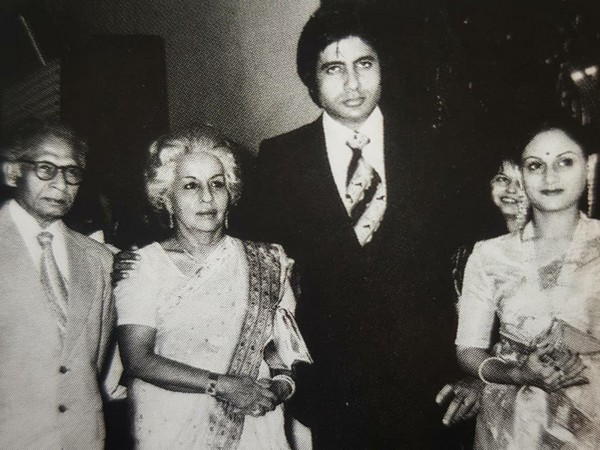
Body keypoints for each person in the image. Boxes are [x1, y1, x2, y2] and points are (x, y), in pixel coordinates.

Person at [232, 6, 463, 448]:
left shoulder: (433, 148)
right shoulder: (282, 159)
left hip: (431, 383)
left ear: (383, 67)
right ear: (311, 79)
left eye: (365, 64)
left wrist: (475, 372)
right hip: (334, 387)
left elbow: (475, 262)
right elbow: (256, 274)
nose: (353, 84)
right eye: (334, 68)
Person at [114, 124, 311, 449]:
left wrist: (275, 391)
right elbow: (137, 359)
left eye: (217, 184)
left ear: (230, 193)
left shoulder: (268, 261)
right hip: (169, 429)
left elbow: (287, 355)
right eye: (190, 185)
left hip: (254, 428)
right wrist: (224, 386)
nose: (206, 197)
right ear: (166, 198)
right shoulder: (143, 266)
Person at [455, 122, 600, 448]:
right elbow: (468, 350)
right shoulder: (488, 254)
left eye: (565, 162)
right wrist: (518, 373)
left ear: (588, 165)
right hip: (513, 428)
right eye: (536, 165)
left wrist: (581, 341)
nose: (550, 176)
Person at [0, 119, 115, 448]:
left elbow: (93, 362)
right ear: (12, 172)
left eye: (72, 172)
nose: (61, 184)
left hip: (83, 438)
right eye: (46, 168)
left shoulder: (99, 259)